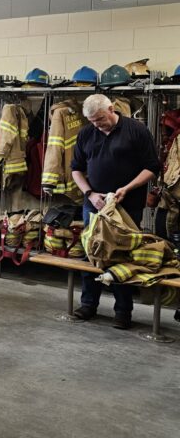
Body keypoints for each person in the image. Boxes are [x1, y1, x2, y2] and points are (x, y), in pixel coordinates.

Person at [71, 93, 161, 329]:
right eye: (92, 121)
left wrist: (127, 188)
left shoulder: (136, 131)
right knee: (92, 251)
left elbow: (152, 167)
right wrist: (90, 193)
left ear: (112, 109)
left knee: (122, 255)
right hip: (95, 205)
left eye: (100, 119)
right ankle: (88, 304)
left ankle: (123, 312)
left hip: (127, 205)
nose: (97, 124)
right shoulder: (86, 134)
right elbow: (76, 170)